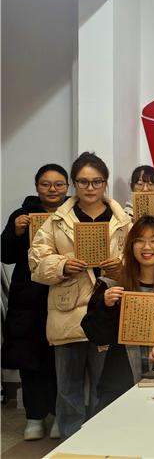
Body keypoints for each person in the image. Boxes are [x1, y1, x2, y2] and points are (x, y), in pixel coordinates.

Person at [29, 152, 132, 439]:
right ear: (74, 183)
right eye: (83, 182)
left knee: (105, 384)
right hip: (68, 311)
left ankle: (102, 441)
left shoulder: (123, 221)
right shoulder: (57, 221)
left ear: (105, 183)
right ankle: (70, 442)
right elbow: (36, 262)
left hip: (107, 312)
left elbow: (139, 260)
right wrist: (62, 265)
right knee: (68, 387)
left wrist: (120, 266)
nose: (90, 187)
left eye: (97, 181)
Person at [81, 216, 154, 410]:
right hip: (119, 380)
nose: (146, 247)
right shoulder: (113, 284)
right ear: (131, 245)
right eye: (140, 240)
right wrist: (106, 306)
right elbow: (96, 336)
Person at [1, 164, 69, 440]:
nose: (52, 189)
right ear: (37, 187)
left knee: (61, 359)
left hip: (63, 292)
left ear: (67, 187)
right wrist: (16, 233)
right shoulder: (22, 214)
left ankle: (59, 414)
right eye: (46, 184)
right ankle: (34, 416)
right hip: (29, 298)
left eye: (59, 184)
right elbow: (5, 254)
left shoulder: (73, 213)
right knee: (30, 358)